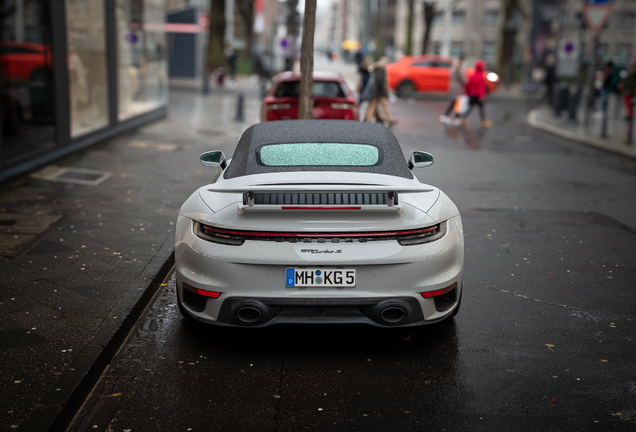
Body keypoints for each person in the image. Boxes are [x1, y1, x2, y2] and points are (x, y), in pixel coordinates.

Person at [364, 57, 395, 127]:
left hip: (375, 91)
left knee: (372, 105)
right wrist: (384, 90)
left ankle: (368, 119)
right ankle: (389, 119)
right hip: (380, 92)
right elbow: (381, 81)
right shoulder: (382, 69)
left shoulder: (376, 68)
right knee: (384, 106)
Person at [460, 60, 492, 128]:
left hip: (472, 95)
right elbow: (481, 88)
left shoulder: (472, 75)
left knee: (470, 107)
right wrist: (482, 96)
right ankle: (483, 122)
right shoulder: (481, 77)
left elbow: (468, 85)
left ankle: (463, 119)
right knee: (481, 108)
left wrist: (467, 92)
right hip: (478, 96)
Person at [439, 56, 465, 124]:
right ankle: (455, 118)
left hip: (452, 88)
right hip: (458, 89)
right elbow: (464, 80)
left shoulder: (452, 69)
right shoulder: (460, 70)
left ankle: (446, 116)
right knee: (457, 105)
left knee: (453, 103)